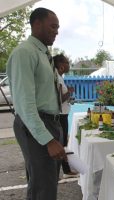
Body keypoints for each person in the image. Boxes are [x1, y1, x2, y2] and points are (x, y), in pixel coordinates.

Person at [6, 8, 66, 200]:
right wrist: (48, 139)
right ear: (36, 24)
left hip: (50, 122)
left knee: (47, 183)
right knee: (43, 187)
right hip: (36, 123)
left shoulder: (44, 54)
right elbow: (24, 104)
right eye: (53, 26)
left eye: (58, 27)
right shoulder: (25, 53)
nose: (56, 31)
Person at [53, 54, 78, 178]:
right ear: (62, 66)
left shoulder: (59, 77)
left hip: (63, 114)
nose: (69, 65)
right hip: (61, 116)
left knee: (62, 142)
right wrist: (69, 92)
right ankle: (66, 171)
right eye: (67, 62)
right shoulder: (57, 78)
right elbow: (58, 99)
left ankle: (66, 169)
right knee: (62, 143)